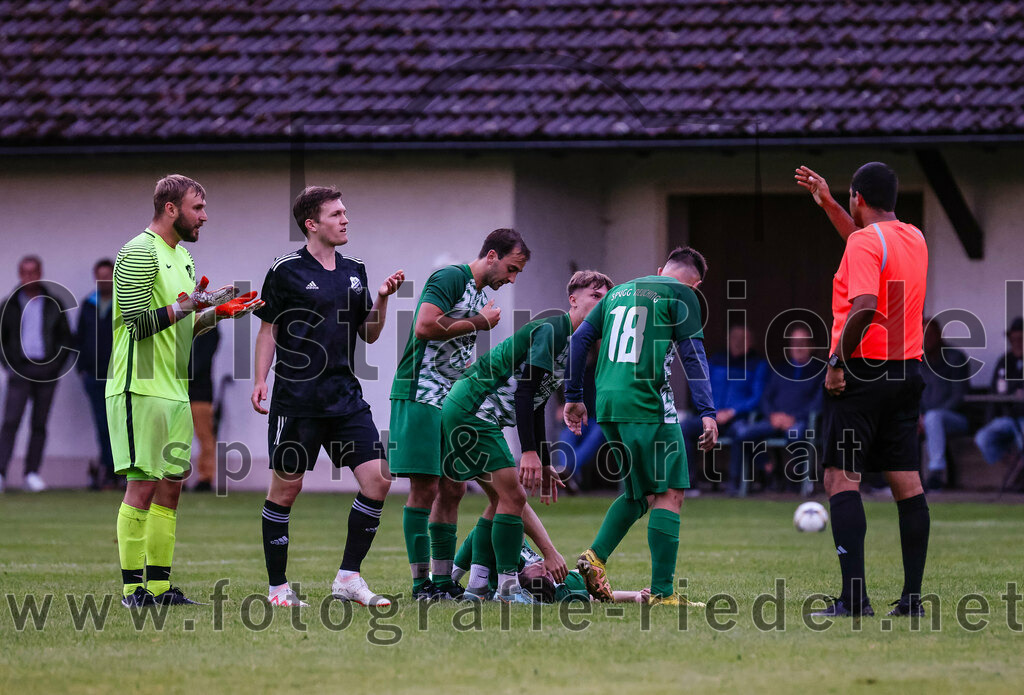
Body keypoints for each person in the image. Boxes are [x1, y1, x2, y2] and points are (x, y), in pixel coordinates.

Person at [109, 174, 262, 608]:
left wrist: (217, 314)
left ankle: (159, 587)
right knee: (142, 485)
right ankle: (131, 590)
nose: (205, 216)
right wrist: (187, 305)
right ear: (171, 209)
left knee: (173, 485)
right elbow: (138, 324)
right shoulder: (137, 251)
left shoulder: (183, 257)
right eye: (198, 207)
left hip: (175, 388)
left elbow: (183, 325)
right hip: (138, 386)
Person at [251, 186, 404, 608]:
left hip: (344, 397)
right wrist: (260, 378)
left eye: (345, 212)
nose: (345, 219)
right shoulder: (284, 271)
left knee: (378, 480)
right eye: (336, 214)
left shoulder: (355, 270)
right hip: (296, 400)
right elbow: (268, 329)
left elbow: (368, 334)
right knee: (286, 491)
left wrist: (384, 300)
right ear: (312, 224)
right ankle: (278, 589)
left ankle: (349, 578)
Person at [795, 162, 930, 618]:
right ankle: (911, 599)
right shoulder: (913, 237)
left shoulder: (863, 242)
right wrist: (829, 203)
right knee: (907, 484)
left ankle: (854, 600)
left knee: (839, 478)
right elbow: (866, 244)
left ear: (859, 197)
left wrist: (835, 362)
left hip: (862, 374)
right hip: (906, 372)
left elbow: (866, 306)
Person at [441, 270, 612, 603]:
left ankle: (471, 585)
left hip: (474, 412)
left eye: (607, 299)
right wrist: (529, 453)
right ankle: (506, 587)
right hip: (473, 410)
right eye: (596, 296)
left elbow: (538, 401)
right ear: (573, 299)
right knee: (514, 497)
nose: (602, 304)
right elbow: (526, 391)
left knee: (499, 501)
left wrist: (545, 462)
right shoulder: (554, 329)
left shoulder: (577, 343)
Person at [564, 247, 718, 607]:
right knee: (672, 493)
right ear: (695, 285)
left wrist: (573, 395)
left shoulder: (618, 291)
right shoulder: (683, 295)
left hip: (608, 404)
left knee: (640, 494)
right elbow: (692, 354)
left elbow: (579, 340)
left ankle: (592, 559)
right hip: (648, 403)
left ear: (661, 269)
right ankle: (663, 594)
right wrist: (707, 410)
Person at [390, 228, 528, 601]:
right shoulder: (452, 277)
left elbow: (452, 345)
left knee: (453, 488)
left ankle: (442, 580)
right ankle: (421, 585)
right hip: (420, 393)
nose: (511, 279)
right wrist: (480, 323)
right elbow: (424, 325)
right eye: (511, 268)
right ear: (492, 255)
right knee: (425, 489)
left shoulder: (480, 294)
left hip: (449, 400)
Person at [0, 255, 74, 493]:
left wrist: (56, 366)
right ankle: (1, 473)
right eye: (25, 272)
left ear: (40, 273)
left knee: (39, 424)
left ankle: (31, 474)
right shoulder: (9, 304)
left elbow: (65, 338)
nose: (29, 277)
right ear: (19, 274)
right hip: (20, 370)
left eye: (33, 272)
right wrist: (9, 365)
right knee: (11, 422)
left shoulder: (54, 302)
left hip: (47, 371)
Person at [728, 325, 824, 495]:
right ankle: (767, 472)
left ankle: (798, 480)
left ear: (812, 346)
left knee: (795, 434)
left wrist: (793, 418)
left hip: (800, 422)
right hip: (774, 420)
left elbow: (819, 402)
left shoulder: (820, 370)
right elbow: (765, 398)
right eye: (794, 343)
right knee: (743, 433)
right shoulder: (780, 368)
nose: (798, 347)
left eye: (803, 343)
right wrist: (772, 415)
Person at [680, 323, 767, 492]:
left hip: (738, 419)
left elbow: (757, 397)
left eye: (742, 339)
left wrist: (733, 412)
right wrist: (708, 411)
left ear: (751, 342)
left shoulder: (758, 364)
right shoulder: (716, 360)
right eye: (734, 338)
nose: (737, 342)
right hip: (709, 417)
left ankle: (735, 485)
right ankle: (689, 483)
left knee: (743, 433)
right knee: (682, 428)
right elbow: (700, 387)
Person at [76, 258, 116, 490]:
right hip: (93, 375)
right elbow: (79, 337)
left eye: (107, 275)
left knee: (119, 425)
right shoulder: (88, 305)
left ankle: (122, 471)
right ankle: (108, 469)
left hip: (116, 374)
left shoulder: (122, 303)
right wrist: (81, 367)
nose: (104, 280)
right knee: (102, 424)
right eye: (100, 275)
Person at [920, 317, 970, 490]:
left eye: (930, 334)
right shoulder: (919, 361)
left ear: (939, 335)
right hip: (926, 418)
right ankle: (897, 477)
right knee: (901, 421)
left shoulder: (955, 357)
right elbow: (914, 394)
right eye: (922, 335)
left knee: (933, 418)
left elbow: (958, 397)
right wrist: (919, 416)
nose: (926, 339)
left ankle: (936, 474)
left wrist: (927, 418)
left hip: (957, 419)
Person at [973, 317, 1023, 466]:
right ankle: (1015, 468)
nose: (1018, 343)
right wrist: (988, 421)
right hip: (1007, 418)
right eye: (1014, 339)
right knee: (983, 438)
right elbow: (994, 394)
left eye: (1021, 338)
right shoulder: (1004, 361)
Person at [188, 324, 219, 492]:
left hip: (200, 391)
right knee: (176, 436)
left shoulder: (209, 327)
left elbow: (202, 359)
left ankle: (205, 477)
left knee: (205, 436)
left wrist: (181, 373)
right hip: (179, 390)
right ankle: (177, 475)